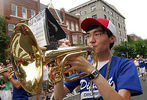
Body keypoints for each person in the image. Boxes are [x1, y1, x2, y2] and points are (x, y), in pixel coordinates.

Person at [54, 18, 142, 100]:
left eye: (97, 34)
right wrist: (58, 67)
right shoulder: (82, 66)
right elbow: (59, 96)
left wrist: (91, 70)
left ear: (111, 38)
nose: (91, 40)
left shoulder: (125, 64)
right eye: (88, 36)